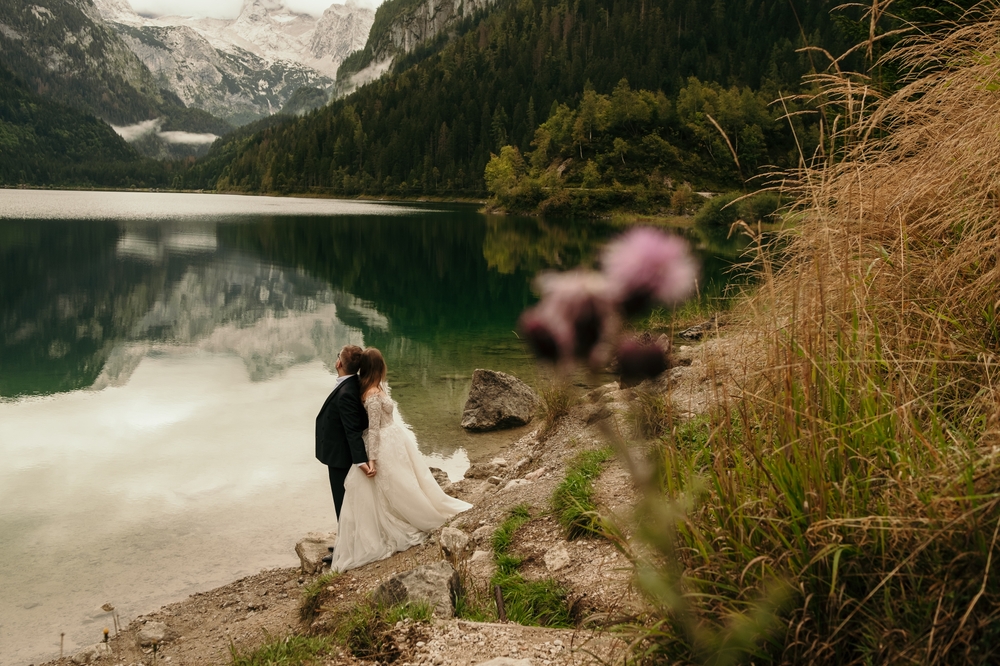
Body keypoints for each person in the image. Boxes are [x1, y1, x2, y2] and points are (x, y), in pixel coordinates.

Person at [329, 347, 472, 572]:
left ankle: (416, 511)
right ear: (377, 367)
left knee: (408, 481)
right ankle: (408, 518)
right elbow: (373, 430)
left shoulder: (375, 387)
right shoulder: (372, 395)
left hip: (394, 441)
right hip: (384, 444)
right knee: (398, 486)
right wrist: (372, 460)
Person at [315, 345, 375, 563]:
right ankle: (345, 541)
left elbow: (352, 431)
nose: (336, 359)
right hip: (339, 454)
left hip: (341, 458)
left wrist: (360, 461)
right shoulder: (350, 384)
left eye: (337, 356)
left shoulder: (347, 392)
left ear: (339, 363)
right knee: (346, 502)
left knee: (343, 503)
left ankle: (347, 550)